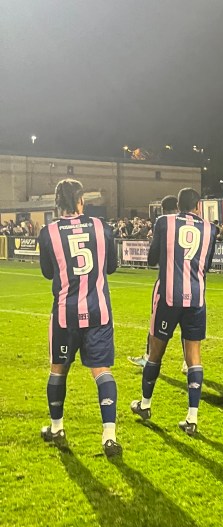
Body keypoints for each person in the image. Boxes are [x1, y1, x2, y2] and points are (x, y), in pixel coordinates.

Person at [38, 178, 122, 457]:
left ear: (57, 203)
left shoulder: (48, 232)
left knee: (58, 368)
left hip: (65, 313)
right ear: (80, 201)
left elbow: (48, 273)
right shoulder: (101, 227)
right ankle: (109, 435)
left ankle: (56, 426)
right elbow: (111, 267)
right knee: (102, 370)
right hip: (98, 311)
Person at [130, 189, 216, 435]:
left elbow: (151, 259)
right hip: (197, 298)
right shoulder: (211, 229)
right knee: (193, 356)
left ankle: (145, 405)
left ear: (178, 205)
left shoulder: (164, 222)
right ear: (198, 206)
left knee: (155, 353)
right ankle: (192, 417)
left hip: (168, 296)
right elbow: (206, 265)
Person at [128, 194, 189, 372]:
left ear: (162, 210)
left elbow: (152, 259)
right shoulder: (197, 225)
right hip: (192, 284)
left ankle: (148, 357)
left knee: (156, 322)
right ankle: (188, 362)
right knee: (187, 324)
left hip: (168, 284)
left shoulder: (163, 223)